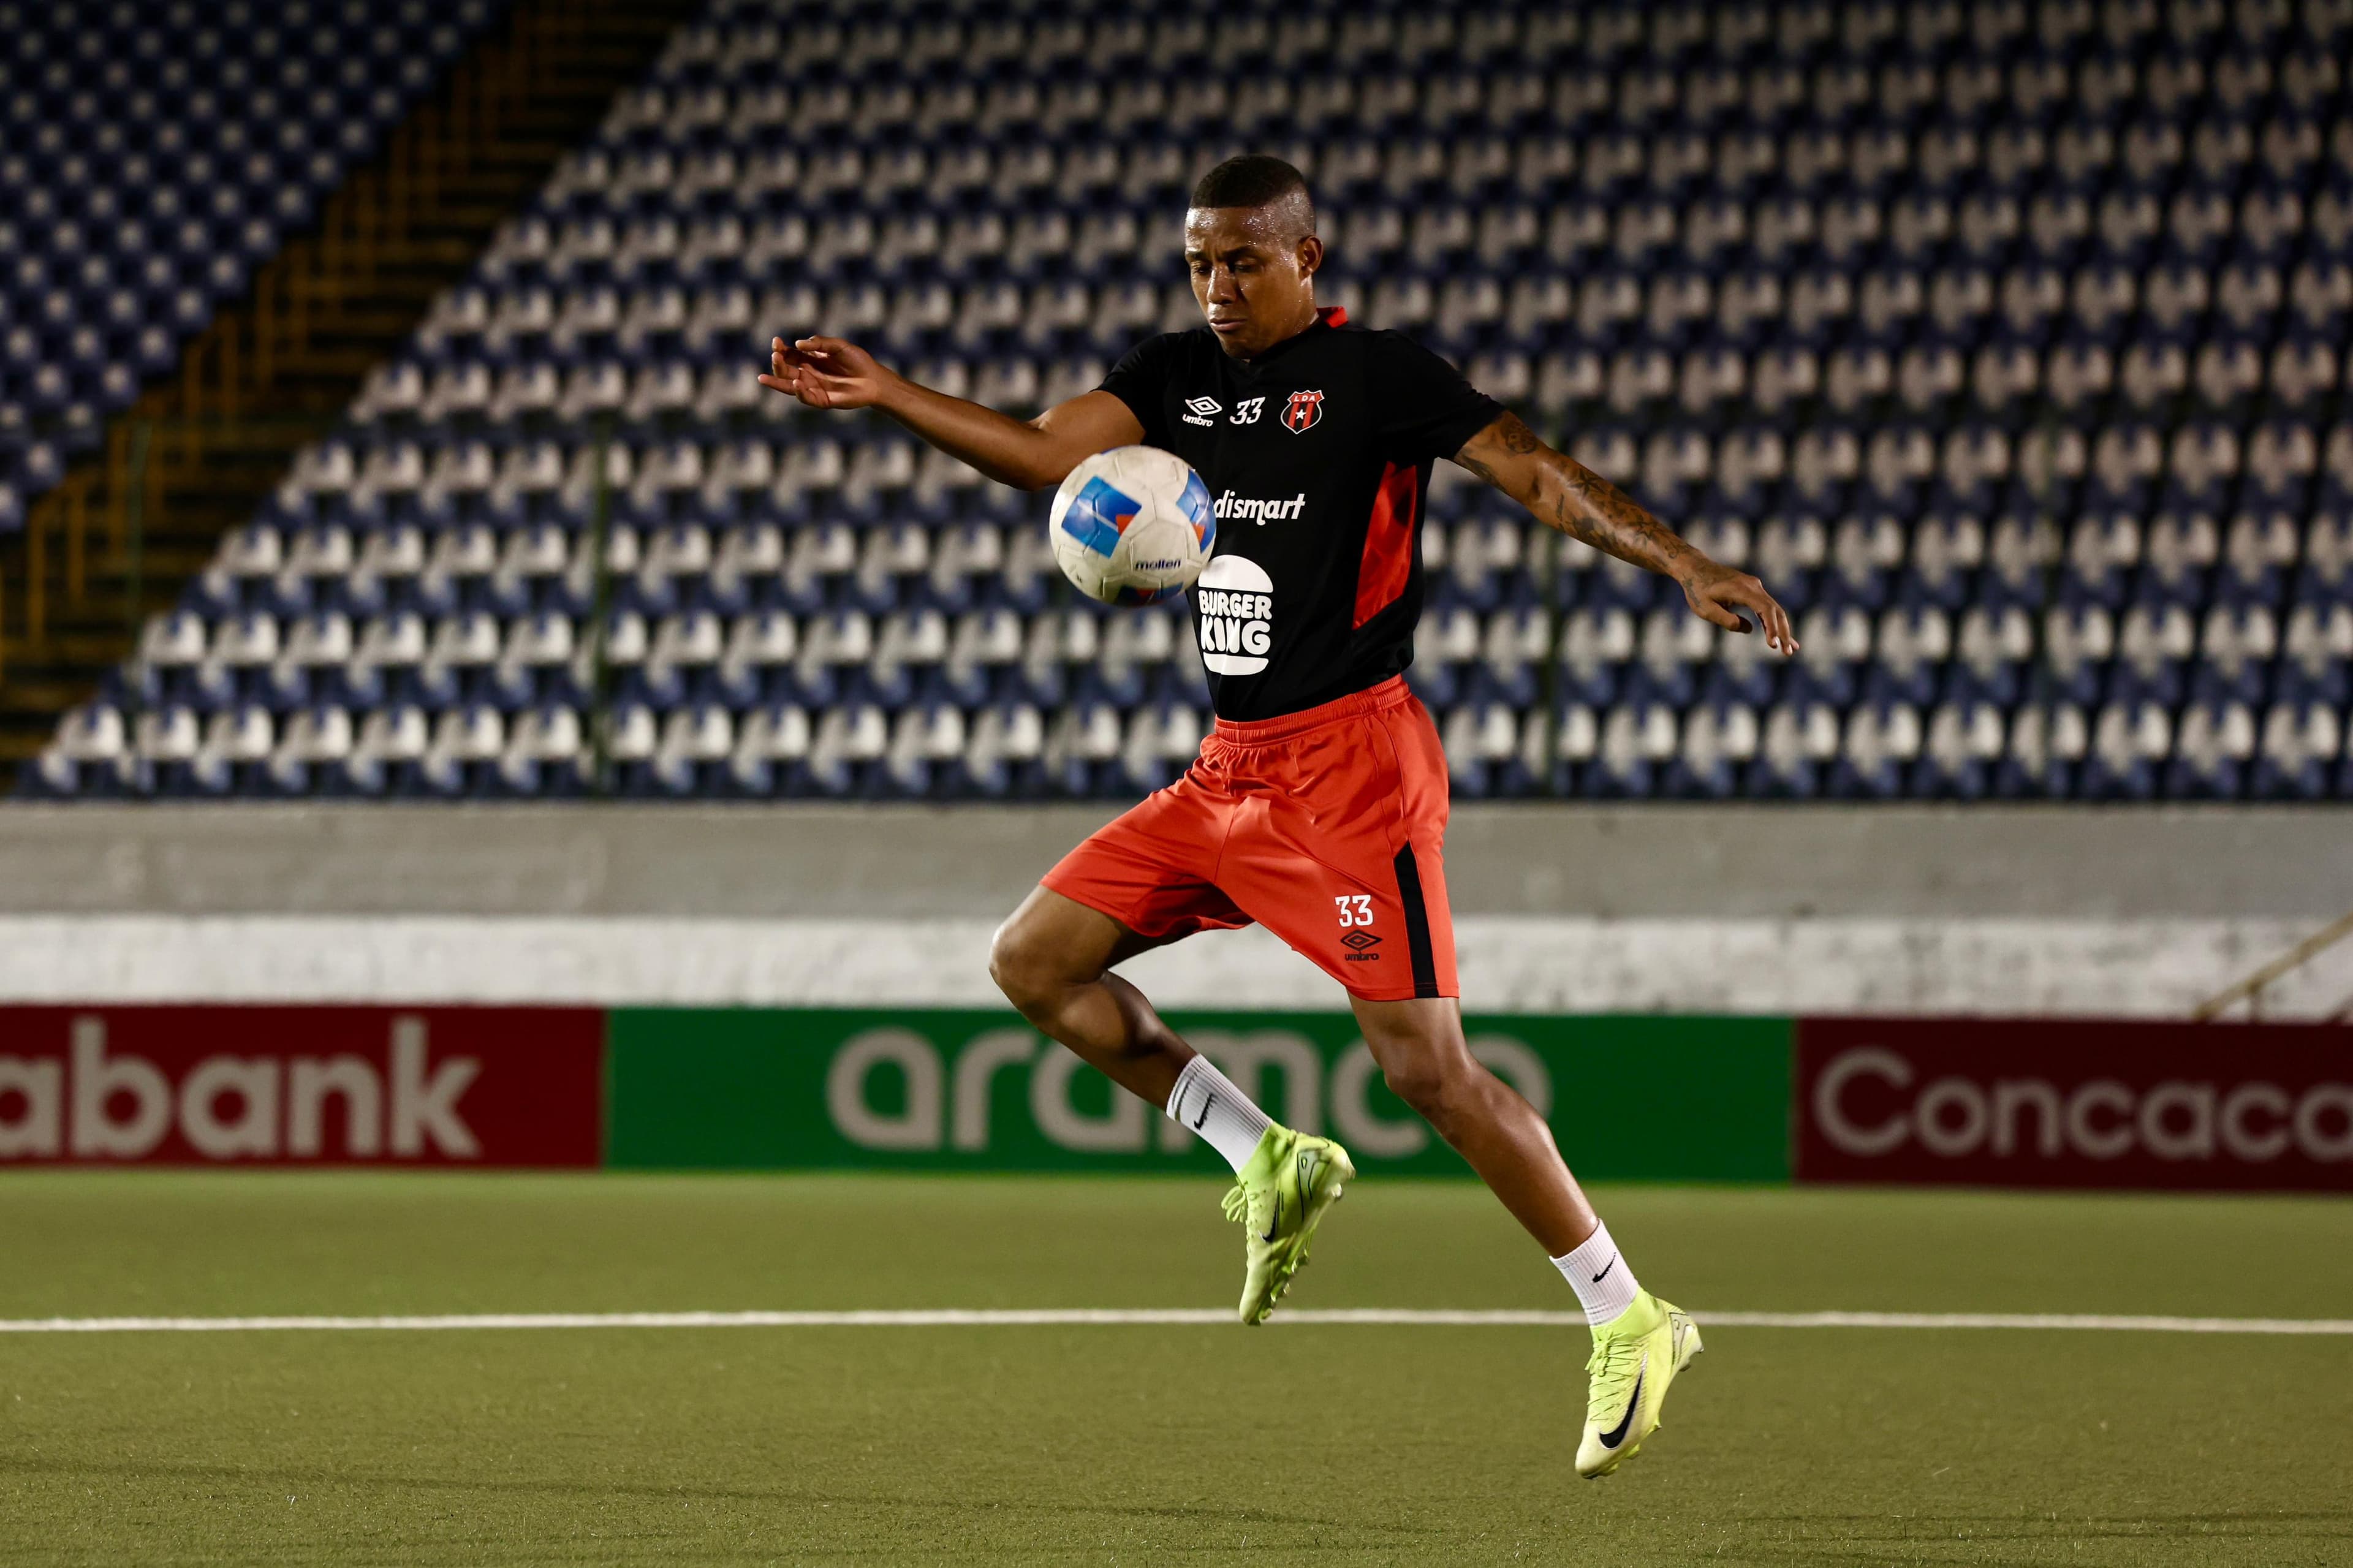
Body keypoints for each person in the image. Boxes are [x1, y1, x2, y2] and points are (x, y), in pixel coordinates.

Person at [760, 154, 1798, 1479]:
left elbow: (1538, 475)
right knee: (1034, 962)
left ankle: (1631, 1311)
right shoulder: (1174, 378)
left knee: (1426, 1069)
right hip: (1228, 771)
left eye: (1243, 260)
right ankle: (1267, 1156)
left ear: (1309, 256)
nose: (1216, 286)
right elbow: (1041, 455)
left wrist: (1687, 563)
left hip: (1355, 769)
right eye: (1199, 260)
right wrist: (889, 391)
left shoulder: (1379, 379)